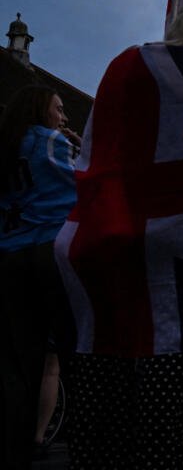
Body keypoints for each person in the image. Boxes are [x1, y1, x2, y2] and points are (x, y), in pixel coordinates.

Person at [54, 0, 183, 470]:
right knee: (160, 400)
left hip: (105, 242)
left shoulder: (128, 63)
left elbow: (97, 151)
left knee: (99, 376)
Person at [0, 85, 78, 469]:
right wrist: (81, 151)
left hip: (9, 255)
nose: (63, 117)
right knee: (73, 352)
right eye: (59, 109)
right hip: (50, 250)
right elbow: (86, 186)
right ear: (40, 109)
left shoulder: (6, 146)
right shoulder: (50, 142)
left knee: (19, 364)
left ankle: (17, 451)